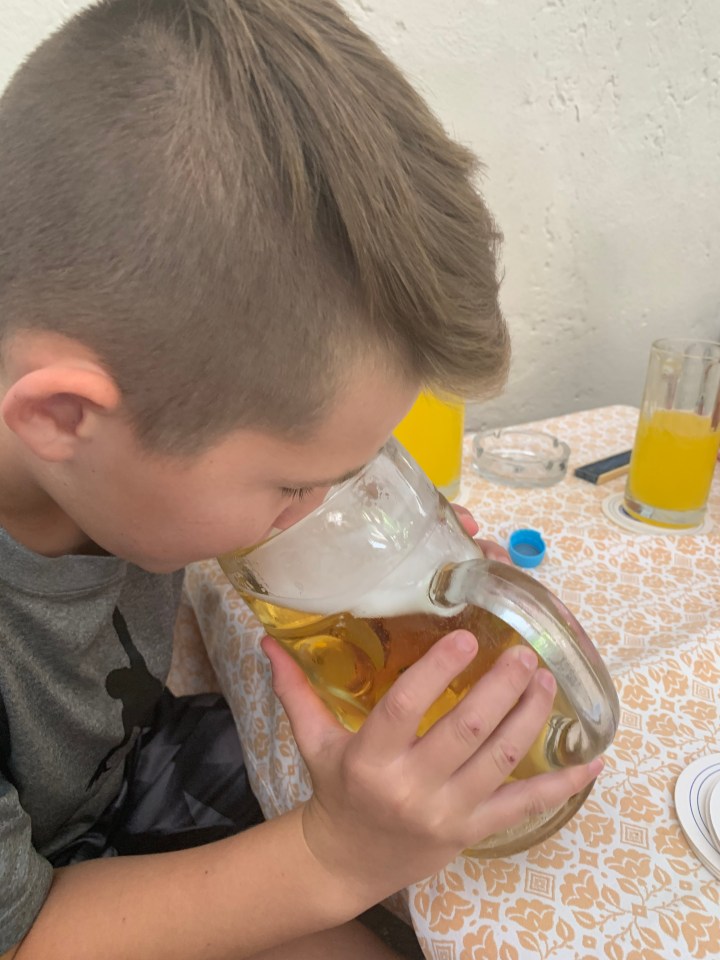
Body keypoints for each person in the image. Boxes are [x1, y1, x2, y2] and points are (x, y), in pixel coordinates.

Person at [0, 1, 603, 957]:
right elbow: (24, 934)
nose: (318, 510)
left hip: (121, 768)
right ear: (65, 417)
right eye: (293, 486)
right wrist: (336, 856)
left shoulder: (112, 455)